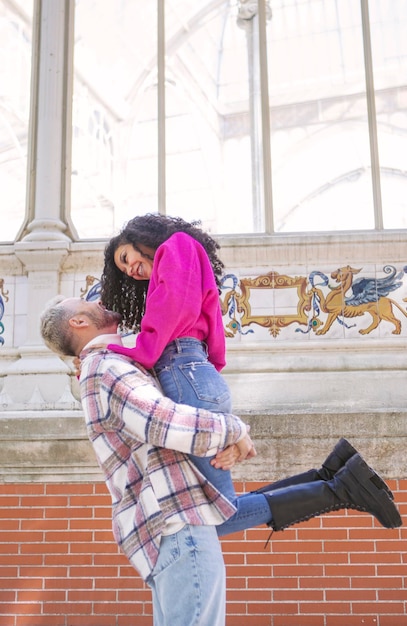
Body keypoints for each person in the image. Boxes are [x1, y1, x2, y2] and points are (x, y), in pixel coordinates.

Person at [40, 296, 402, 626]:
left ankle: (333, 480)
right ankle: (337, 485)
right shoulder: (104, 366)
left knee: (222, 511)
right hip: (175, 526)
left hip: (172, 520)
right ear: (77, 323)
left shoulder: (109, 362)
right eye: (88, 303)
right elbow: (159, 421)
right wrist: (234, 429)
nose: (100, 301)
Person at [100, 213, 238, 510]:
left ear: (140, 239)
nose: (130, 271)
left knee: (217, 511)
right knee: (207, 509)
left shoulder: (177, 246)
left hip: (185, 373)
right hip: (192, 376)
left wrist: (118, 352)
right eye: (123, 270)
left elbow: (171, 309)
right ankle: (330, 485)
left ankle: (331, 488)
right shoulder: (180, 256)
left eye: (126, 257)